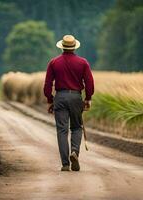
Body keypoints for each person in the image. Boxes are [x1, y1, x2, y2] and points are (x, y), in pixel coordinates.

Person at [44, 35, 94, 171]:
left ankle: (65, 164)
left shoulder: (54, 62)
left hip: (60, 97)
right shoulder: (83, 62)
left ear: (62, 46)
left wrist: (49, 100)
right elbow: (89, 83)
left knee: (62, 130)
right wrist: (88, 98)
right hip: (76, 98)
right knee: (77, 128)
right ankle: (75, 152)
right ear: (74, 47)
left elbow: (48, 84)